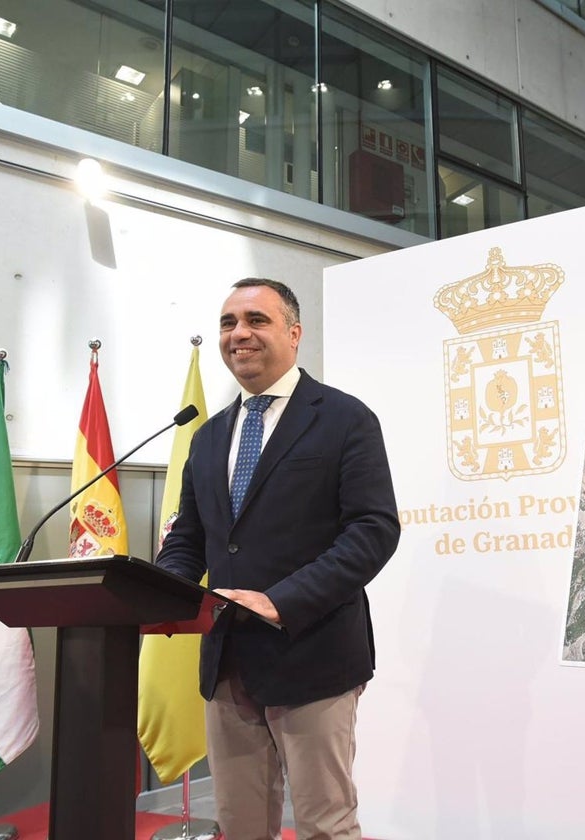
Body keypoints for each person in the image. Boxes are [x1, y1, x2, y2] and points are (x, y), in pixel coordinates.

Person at [155, 277, 400, 840]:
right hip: (226, 665)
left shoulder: (343, 418)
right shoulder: (208, 436)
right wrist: (163, 591)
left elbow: (373, 530)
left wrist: (280, 601)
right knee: (241, 827)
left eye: (256, 320)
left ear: (294, 333)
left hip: (312, 653)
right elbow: (190, 539)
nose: (239, 333)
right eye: (228, 322)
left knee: (324, 825)